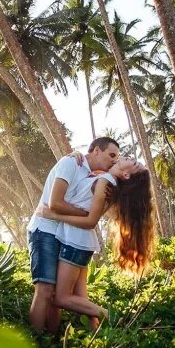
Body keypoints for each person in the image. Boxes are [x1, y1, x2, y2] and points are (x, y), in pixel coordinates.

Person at [38, 157, 155, 331]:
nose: (131, 158)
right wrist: (77, 154)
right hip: (80, 243)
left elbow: (91, 221)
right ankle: (100, 337)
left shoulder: (105, 182)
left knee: (60, 298)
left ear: (126, 174)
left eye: (135, 163)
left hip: (75, 243)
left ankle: (113, 317)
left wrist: (55, 216)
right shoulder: (107, 181)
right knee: (80, 298)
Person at [27, 137, 120, 333]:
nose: (114, 160)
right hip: (44, 228)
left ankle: (51, 342)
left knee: (55, 296)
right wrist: (86, 215)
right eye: (111, 155)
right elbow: (55, 203)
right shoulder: (71, 162)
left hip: (61, 233)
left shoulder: (91, 174)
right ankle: (35, 344)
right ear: (96, 150)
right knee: (44, 290)